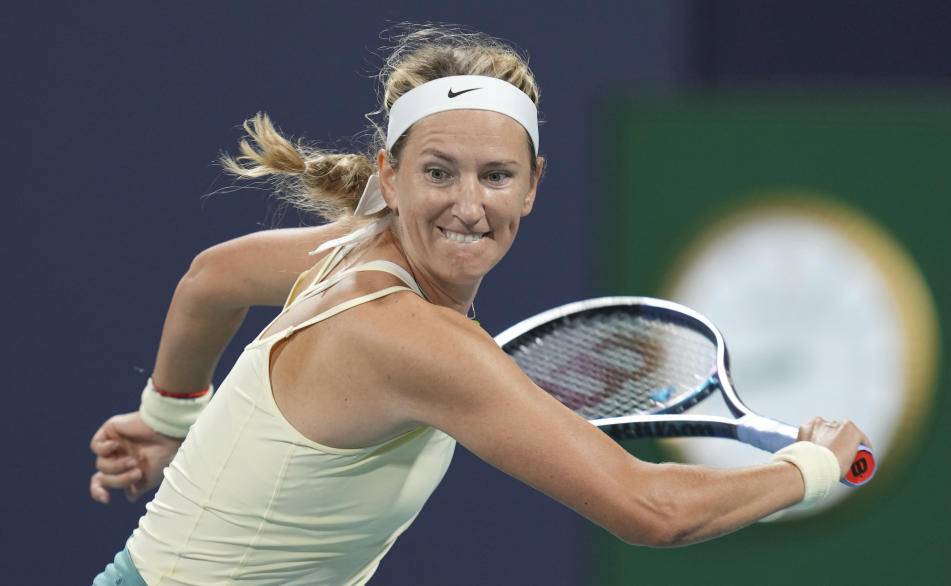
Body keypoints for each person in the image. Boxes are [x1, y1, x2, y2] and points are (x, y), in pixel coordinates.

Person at [89, 25, 870, 585]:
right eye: (439, 173)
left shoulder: (351, 252)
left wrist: (170, 419)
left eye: (496, 175)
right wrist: (811, 467)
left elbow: (210, 280)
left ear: (532, 186)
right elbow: (651, 509)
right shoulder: (410, 338)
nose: (468, 205)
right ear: (390, 178)